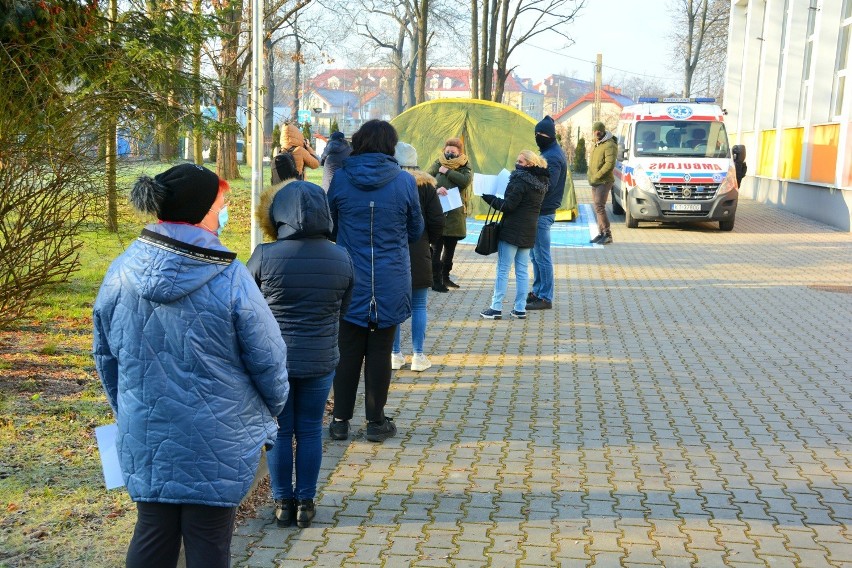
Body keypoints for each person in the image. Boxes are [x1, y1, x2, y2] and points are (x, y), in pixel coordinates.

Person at [92, 163, 289, 568]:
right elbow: (269, 359)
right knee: (210, 539)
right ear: (201, 211)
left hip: (146, 430)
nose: (224, 212)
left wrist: (127, 410)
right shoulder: (231, 278)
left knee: (152, 530)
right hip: (220, 436)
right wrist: (274, 407)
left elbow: (106, 359)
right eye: (221, 205)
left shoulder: (119, 272)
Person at [247, 179, 354, 529]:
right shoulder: (341, 256)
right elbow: (343, 307)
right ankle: (305, 502)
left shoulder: (264, 255)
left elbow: (248, 309)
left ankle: (282, 504)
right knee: (309, 430)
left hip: (273, 361)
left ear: (278, 214)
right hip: (321, 358)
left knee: (279, 430)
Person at [327, 119, 424, 443]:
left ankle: (340, 420)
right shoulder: (404, 182)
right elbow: (415, 229)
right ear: (390, 146)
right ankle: (375, 421)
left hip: (347, 275)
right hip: (390, 276)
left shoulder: (340, 178)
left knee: (347, 349)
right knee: (381, 350)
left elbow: (330, 223)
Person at [391, 141, 445, 372]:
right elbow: (437, 220)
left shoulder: (388, 184)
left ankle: (394, 354)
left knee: (392, 305)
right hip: (419, 247)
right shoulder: (426, 186)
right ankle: (418, 355)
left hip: (391, 250)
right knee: (420, 304)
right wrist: (428, 241)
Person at [479, 150, 549, 320]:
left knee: (503, 269)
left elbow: (509, 206)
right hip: (529, 231)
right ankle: (519, 309)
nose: (517, 164)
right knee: (522, 271)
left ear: (530, 164)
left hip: (511, 231)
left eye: (521, 161)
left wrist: (489, 198)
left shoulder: (520, 180)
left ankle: (496, 307)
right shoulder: (541, 183)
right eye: (517, 161)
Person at [527, 115, 567, 311]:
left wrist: (528, 180)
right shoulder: (549, 152)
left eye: (541, 134)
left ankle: (545, 296)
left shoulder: (552, 157)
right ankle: (537, 290)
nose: (538, 136)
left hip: (543, 211)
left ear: (550, 136)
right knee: (535, 256)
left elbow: (548, 185)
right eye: (536, 133)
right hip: (540, 211)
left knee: (542, 256)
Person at [427, 137, 473, 292]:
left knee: (450, 250)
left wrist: (447, 171)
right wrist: (437, 189)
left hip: (454, 214)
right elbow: (427, 179)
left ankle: (446, 277)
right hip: (438, 213)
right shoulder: (438, 162)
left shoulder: (465, 166)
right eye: (447, 151)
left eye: (453, 152)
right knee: (436, 248)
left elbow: (465, 181)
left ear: (459, 153)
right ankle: (435, 280)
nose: (449, 154)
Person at [588, 121, 618, 245]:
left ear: (602, 130)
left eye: (598, 131)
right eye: (594, 131)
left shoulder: (609, 144)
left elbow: (609, 164)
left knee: (600, 206)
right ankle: (601, 233)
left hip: (604, 181)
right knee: (597, 207)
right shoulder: (596, 144)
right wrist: (591, 175)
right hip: (595, 180)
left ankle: (607, 234)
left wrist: (597, 175)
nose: (596, 133)